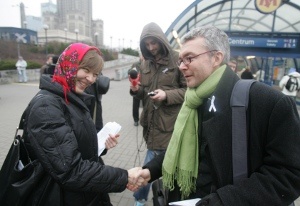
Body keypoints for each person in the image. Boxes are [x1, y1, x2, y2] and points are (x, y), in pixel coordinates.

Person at [132, 26, 300, 205]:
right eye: (180, 60)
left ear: (216, 58)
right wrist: (151, 170)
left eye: (189, 58)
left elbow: (288, 174)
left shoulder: (267, 102)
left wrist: (221, 201)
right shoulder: (193, 100)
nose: (181, 66)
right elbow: (180, 148)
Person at [22, 43, 144, 205]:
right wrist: (124, 177)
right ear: (68, 65)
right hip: (62, 197)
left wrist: (102, 146)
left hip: (85, 194)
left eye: (95, 74)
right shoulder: (47, 107)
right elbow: (71, 170)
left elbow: (71, 148)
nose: (91, 79)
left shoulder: (70, 98)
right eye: (86, 70)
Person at [129, 22, 187, 206]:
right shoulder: (145, 64)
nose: (151, 48)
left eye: (154, 43)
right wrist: (136, 89)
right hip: (151, 125)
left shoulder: (178, 60)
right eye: (147, 44)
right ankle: (148, 198)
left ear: (161, 40)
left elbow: (189, 91)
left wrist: (166, 95)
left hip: (169, 126)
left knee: (153, 166)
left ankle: (145, 199)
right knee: (154, 165)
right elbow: (143, 94)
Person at [128, 55, 144, 126]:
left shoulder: (149, 64)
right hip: (136, 86)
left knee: (145, 104)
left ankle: (145, 118)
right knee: (135, 104)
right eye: (142, 55)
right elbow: (130, 72)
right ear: (140, 56)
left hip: (145, 86)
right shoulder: (135, 64)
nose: (143, 57)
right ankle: (136, 120)